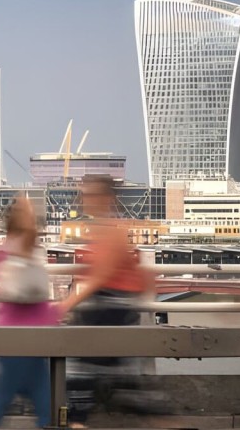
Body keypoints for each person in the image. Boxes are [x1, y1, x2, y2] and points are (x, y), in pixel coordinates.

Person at [57, 174, 162, 426]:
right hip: (106, 316)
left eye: (90, 194)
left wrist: (64, 305)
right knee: (117, 390)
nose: (84, 199)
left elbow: (101, 276)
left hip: (110, 316)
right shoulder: (101, 229)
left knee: (87, 384)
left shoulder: (111, 232)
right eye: (84, 194)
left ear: (106, 198)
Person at [0, 195, 54, 428]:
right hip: (19, 338)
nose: (35, 214)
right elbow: (24, 290)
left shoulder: (12, 246)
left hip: (22, 336)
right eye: (29, 211)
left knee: (44, 403)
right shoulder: (21, 246)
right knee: (20, 401)